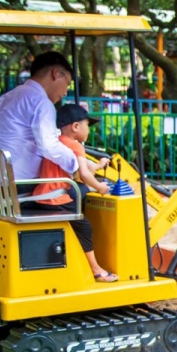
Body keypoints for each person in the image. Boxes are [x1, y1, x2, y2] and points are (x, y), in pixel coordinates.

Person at [33, 104, 116, 282]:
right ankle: (96, 270)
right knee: (84, 226)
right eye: (87, 125)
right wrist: (100, 188)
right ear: (76, 127)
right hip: (56, 197)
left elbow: (85, 166)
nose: (88, 130)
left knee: (79, 206)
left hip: (43, 195)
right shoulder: (76, 146)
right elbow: (85, 174)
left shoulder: (58, 143)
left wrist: (100, 165)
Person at [0, 51, 79, 191]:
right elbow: (50, 147)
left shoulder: (6, 98)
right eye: (67, 83)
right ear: (56, 74)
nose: (66, 92)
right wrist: (76, 165)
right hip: (20, 185)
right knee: (84, 193)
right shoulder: (40, 102)